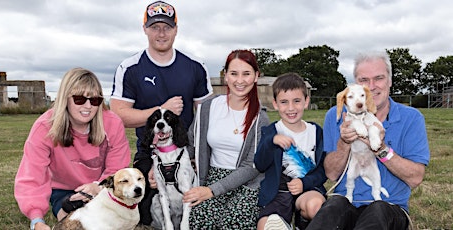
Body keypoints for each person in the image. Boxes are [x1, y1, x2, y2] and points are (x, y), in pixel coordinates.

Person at [109, 0, 213, 225]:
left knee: (203, 206)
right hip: (150, 151)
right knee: (144, 214)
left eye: (167, 27)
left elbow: (206, 117)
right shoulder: (130, 67)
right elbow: (118, 115)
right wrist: (160, 110)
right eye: (155, 27)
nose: (161, 33)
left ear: (176, 29)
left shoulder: (195, 66)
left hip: (185, 150)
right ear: (145, 29)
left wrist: (196, 155)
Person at [306, 51, 430, 230]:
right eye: (364, 80)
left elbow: (416, 177)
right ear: (355, 84)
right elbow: (332, 174)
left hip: (389, 206)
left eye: (379, 78)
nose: (372, 87)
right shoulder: (335, 115)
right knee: (330, 212)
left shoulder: (411, 118)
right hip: (346, 201)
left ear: (390, 81)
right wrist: (344, 142)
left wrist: (380, 148)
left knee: (377, 212)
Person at [14, 68, 131, 230]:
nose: (88, 106)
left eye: (95, 100)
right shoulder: (44, 127)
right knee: (75, 223)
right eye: (79, 99)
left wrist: (98, 186)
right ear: (65, 99)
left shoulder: (112, 123)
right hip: (64, 191)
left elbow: (117, 167)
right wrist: (36, 219)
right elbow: (31, 177)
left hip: (102, 188)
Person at [180, 49, 270, 229]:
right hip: (211, 177)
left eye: (246, 74)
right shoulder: (207, 108)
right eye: (234, 73)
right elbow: (192, 145)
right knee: (199, 221)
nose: (240, 80)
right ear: (225, 76)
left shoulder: (260, 118)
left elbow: (252, 166)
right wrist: (162, 163)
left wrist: (212, 191)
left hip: (245, 183)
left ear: (256, 76)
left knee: (230, 222)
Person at [254, 73, 327, 230]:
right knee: (264, 225)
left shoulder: (316, 132)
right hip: (278, 192)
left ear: (306, 101)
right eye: (284, 102)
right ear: (275, 104)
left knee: (316, 206)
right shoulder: (271, 131)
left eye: (297, 101)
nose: (291, 108)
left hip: (308, 189)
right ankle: (284, 224)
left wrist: (304, 183)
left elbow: (323, 171)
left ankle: (302, 224)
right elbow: (259, 164)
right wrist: (271, 142)